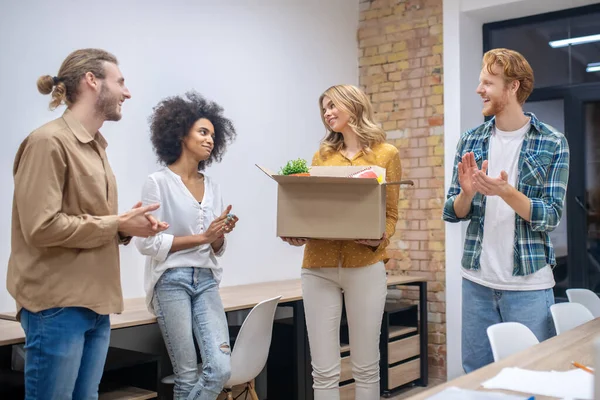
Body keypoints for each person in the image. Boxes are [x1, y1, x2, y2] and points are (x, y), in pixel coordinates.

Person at [7, 48, 167, 399]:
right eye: (120, 82)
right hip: (58, 306)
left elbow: (89, 221)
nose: (127, 92)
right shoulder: (48, 142)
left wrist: (126, 226)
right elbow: (42, 227)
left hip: (95, 306)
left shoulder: (94, 145)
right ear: (92, 81)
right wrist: (116, 223)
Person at [443, 48, 570, 372]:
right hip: (476, 282)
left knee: (533, 377)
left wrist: (507, 192)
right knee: (478, 375)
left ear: (513, 86)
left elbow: (551, 215)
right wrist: (467, 195)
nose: (479, 89)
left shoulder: (552, 142)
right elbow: (452, 211)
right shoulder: (470, 141)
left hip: (528, 286)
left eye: (487, 82)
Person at [282, 84, 402, 400]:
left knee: (365, 365)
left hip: (365, 266)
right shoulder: (322, 156)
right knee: (323, 370)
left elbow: (390, 213)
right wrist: (296, 231)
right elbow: (310, 210)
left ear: (354, 105)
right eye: (324, 109)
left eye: (333, 106)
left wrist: (381, 235)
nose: (327, 113)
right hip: (317, 267)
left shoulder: (386, 154)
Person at [135, 91, 238, 400]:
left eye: (213, 135)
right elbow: (146, 243)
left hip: (206, 280)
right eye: (202, 132)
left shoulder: (213, 186)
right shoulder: (158, 183)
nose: (209, 140)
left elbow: (214, 246)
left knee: (220, 369)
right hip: (171, 281)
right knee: (187, 374)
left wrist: (219, 233)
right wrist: (202, 238)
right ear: (181, 134)